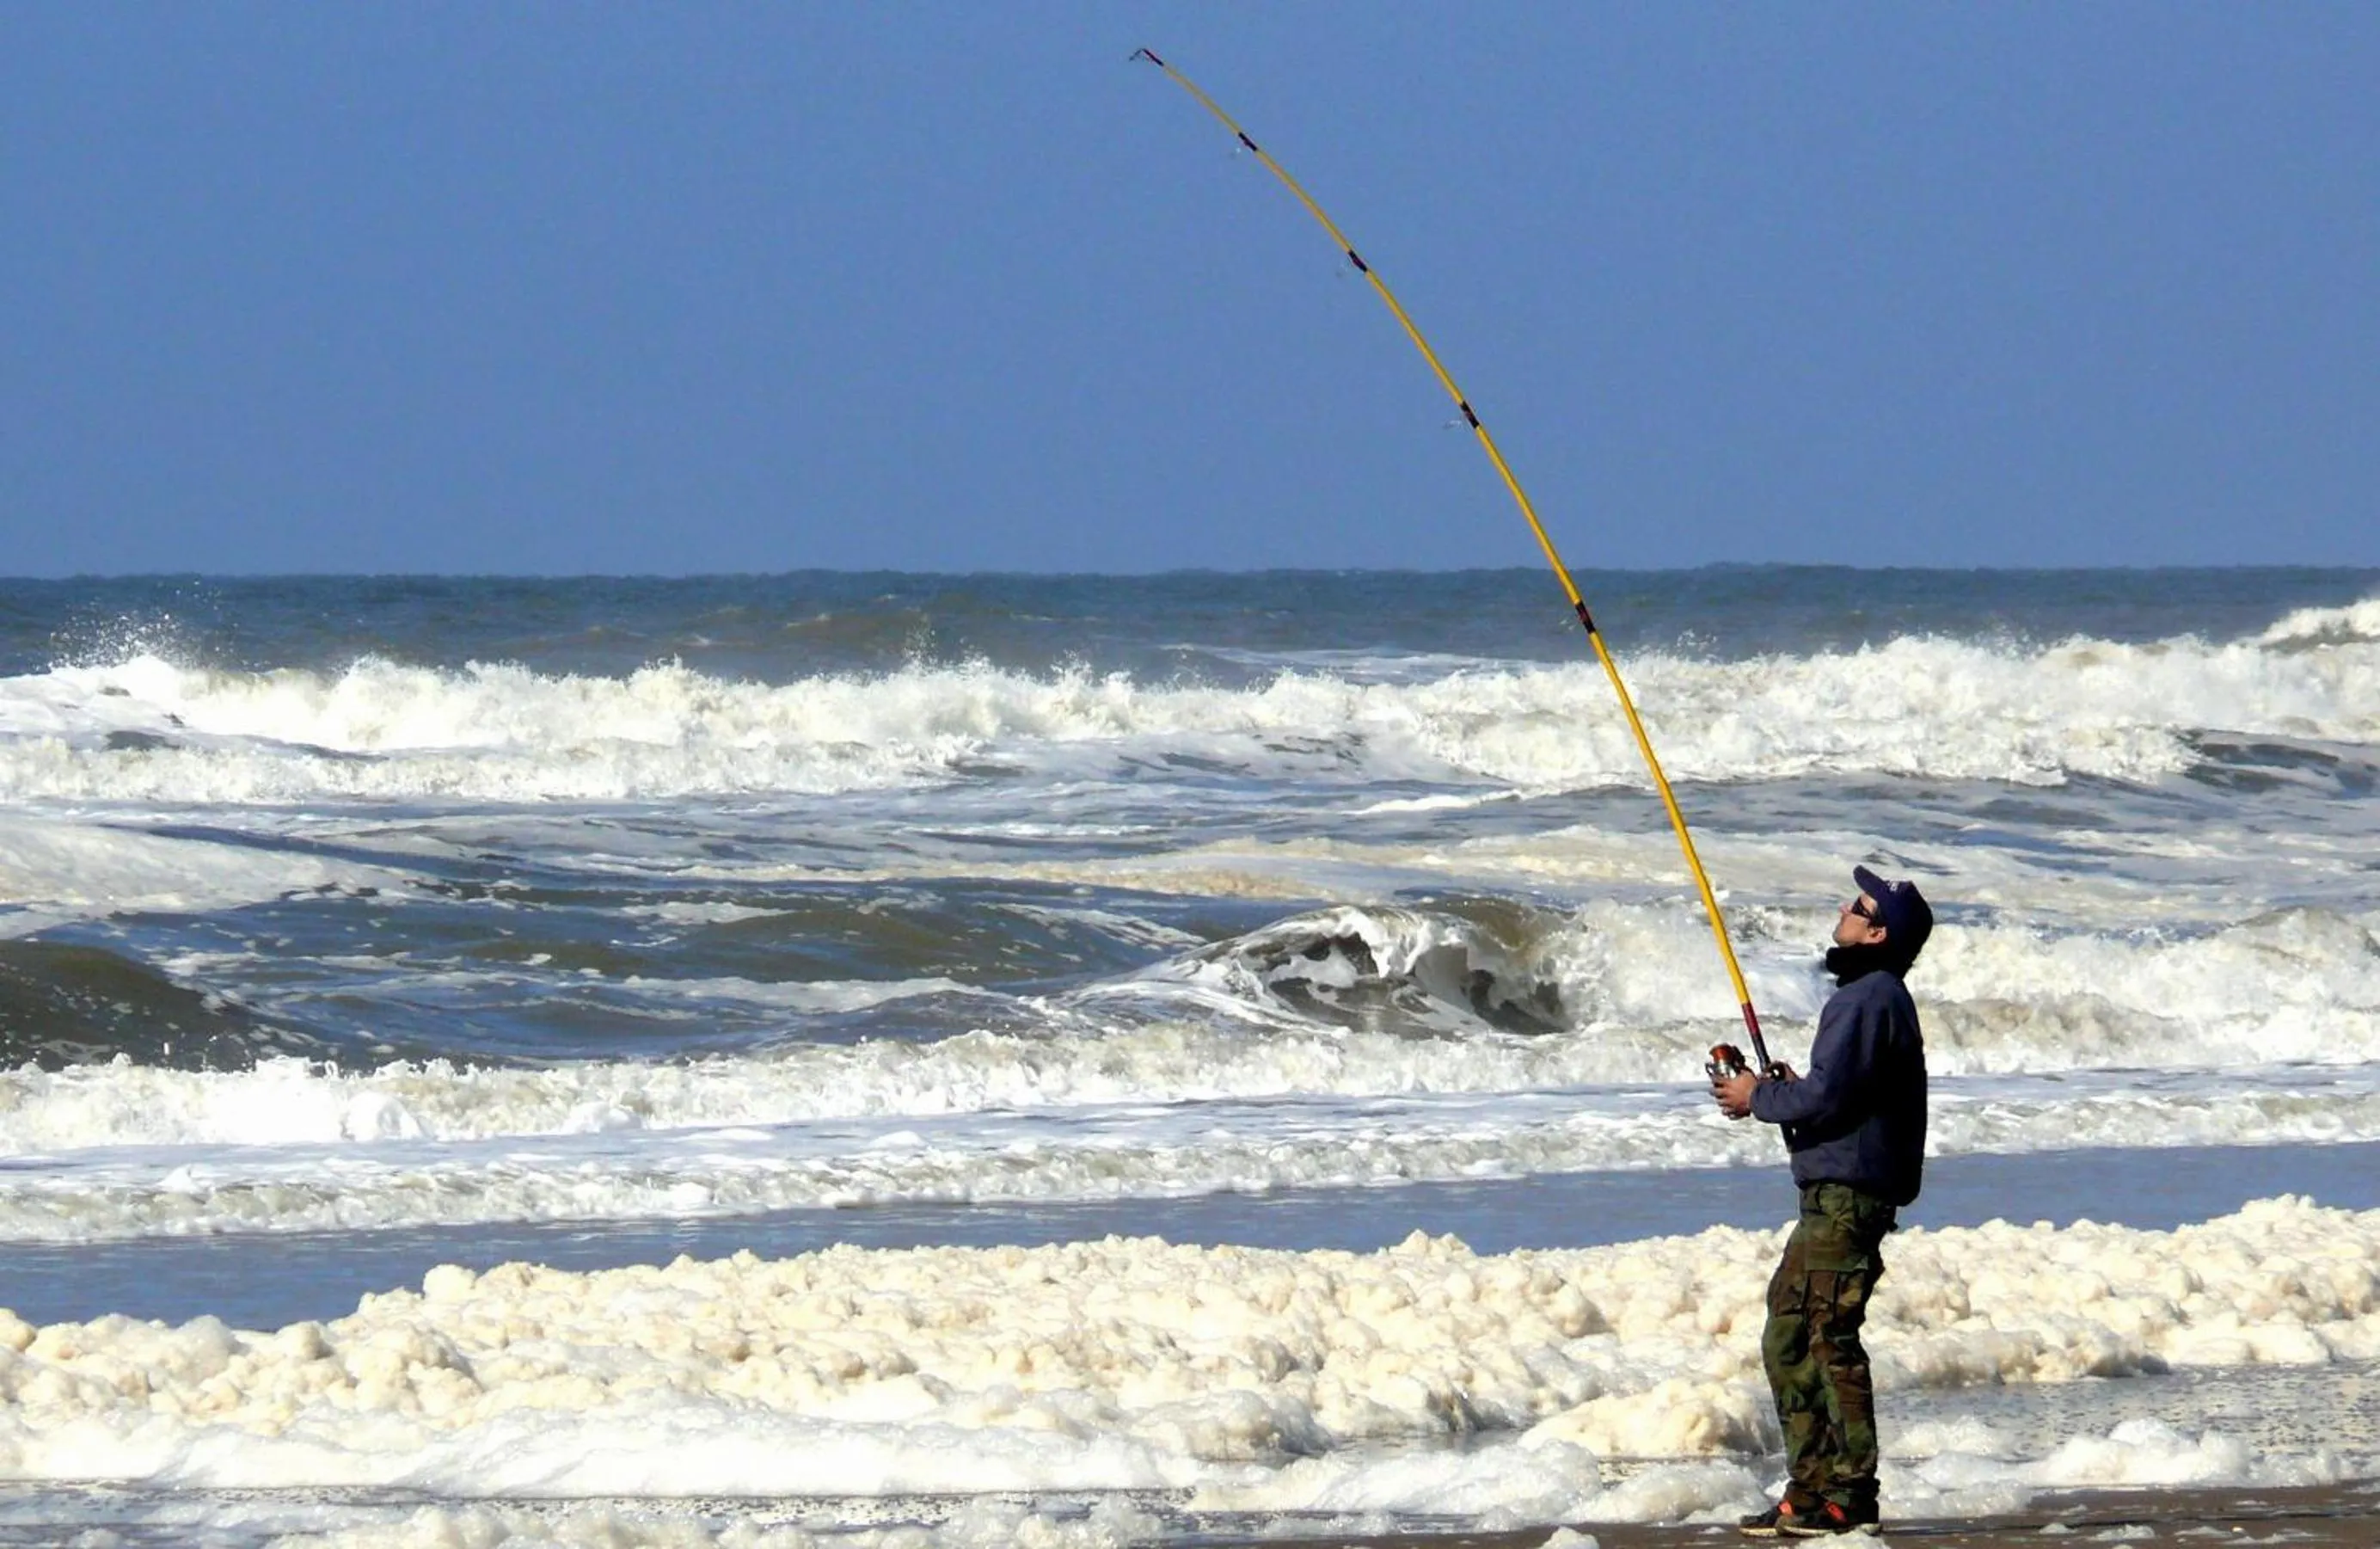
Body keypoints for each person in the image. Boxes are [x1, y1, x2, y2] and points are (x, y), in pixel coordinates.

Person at [1710, 865, 1932, 1538]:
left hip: (1847, 1201)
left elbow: (1829, 1099)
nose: (1844, 907)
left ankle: (1850, 1495)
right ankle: (1810, 1487)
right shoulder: (1871, 997)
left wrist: (1758, 1097)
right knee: (1787, 1333)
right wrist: (1788, 1088)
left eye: (1859, 905)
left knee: (1827, 1338)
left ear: (1877, 930)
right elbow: (1840, 1093)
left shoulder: (1868, 997)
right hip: (1833, 1197)